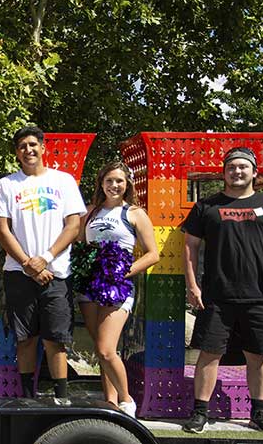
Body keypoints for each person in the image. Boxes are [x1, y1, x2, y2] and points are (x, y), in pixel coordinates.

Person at [181, 147, 263, 434]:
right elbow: (190, 247)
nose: (237, 172)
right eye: (231, 167)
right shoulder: (206, 207)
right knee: (208, 354)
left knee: (258, 356)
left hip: (260, 296)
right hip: (216, 297)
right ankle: (200, 413)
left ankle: (259, 412)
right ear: (224, 173)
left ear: (254, 172)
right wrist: (192, 286)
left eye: (243, 167)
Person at [0, 125, 86, 402]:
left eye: (33, 144)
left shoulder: (64, 181)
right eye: (22, 146)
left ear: (43, 147)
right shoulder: (6, 185)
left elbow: (73, 225)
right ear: (16, 153)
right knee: (25, 338)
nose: (28, 150)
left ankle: (61, 397)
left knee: (55, 339)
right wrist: (27, 264)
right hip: (18, 273)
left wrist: (45, 258)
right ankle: (26, 396)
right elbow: (2, 229)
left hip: (56, 272)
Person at [77, 162, 159, 417]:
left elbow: (153, 254)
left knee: (106, 349)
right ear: (101, 183)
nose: (114, 185)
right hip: (89, 287)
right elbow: (80, 246)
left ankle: (126, 400)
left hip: (118, 287)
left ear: (127, 185)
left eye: (119, 181)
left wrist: (123, 272)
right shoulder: (89, 212)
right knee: (101, 350)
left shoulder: (134, 213)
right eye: (109, 180)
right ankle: (110, 404)